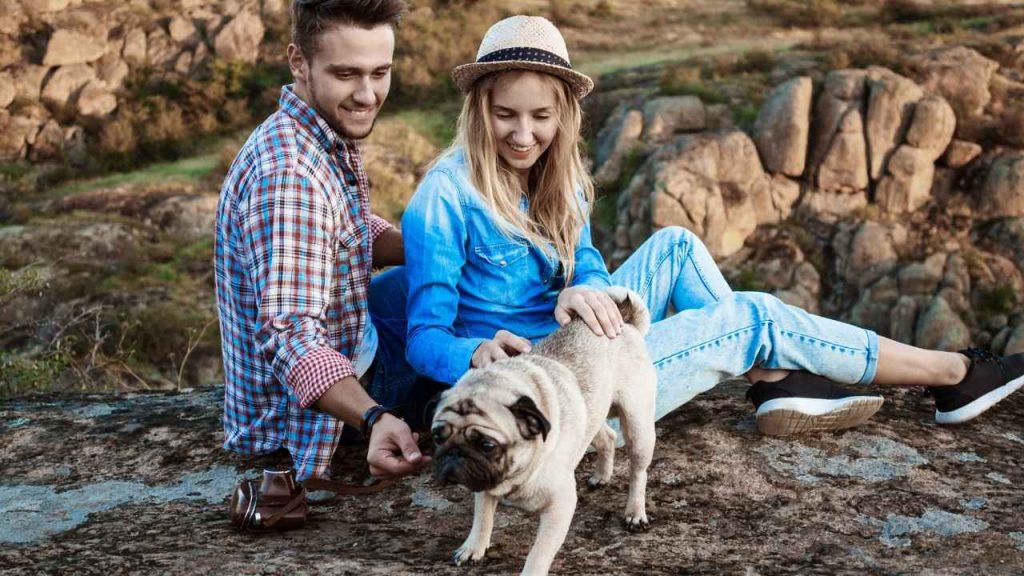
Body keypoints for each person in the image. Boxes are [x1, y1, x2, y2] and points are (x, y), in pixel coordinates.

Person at [401, 15, 1024, 436]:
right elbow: (422, 336)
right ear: (479, 107)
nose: (523, 134)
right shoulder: (445, 197)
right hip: (556, 398)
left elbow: (584, 259)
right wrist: (473, 353)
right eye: (505, 115)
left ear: (563, 113)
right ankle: (954, 376)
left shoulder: (556, 174)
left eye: (540, 116)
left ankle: (773, 380)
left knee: (676, 244)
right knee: (751, 315)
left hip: (587, 344)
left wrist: (588, 287)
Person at [215, 0, 437, 483]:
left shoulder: (310, 133)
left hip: (353, 334)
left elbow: (347, 230)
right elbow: (293, 337)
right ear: (298, 62)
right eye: (346, 74)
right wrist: (375, 417)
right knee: (484, 318)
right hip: (323, 409)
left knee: (454, 277)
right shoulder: (290, 177)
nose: (367, 94)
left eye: (380, 72)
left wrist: (441, 250)